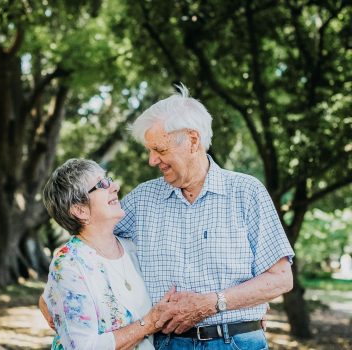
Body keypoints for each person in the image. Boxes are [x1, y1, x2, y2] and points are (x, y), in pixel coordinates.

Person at [41, 84, 294, 349]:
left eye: (160, 150)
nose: (152, 160)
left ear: (193, 141)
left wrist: (215, 303)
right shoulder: (142, 199)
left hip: (236, 340)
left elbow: (281, 278)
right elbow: (91, 242)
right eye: (150, 150)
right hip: (166, 344)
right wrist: (50, 294)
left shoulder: (246, 192)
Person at [40, 159, 173, 350]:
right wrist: (149, 324)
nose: (115, 186)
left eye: (108, 179)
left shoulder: (133, 248)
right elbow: (83, 347)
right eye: (102, 184)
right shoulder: (68, 264)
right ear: (80, 210)